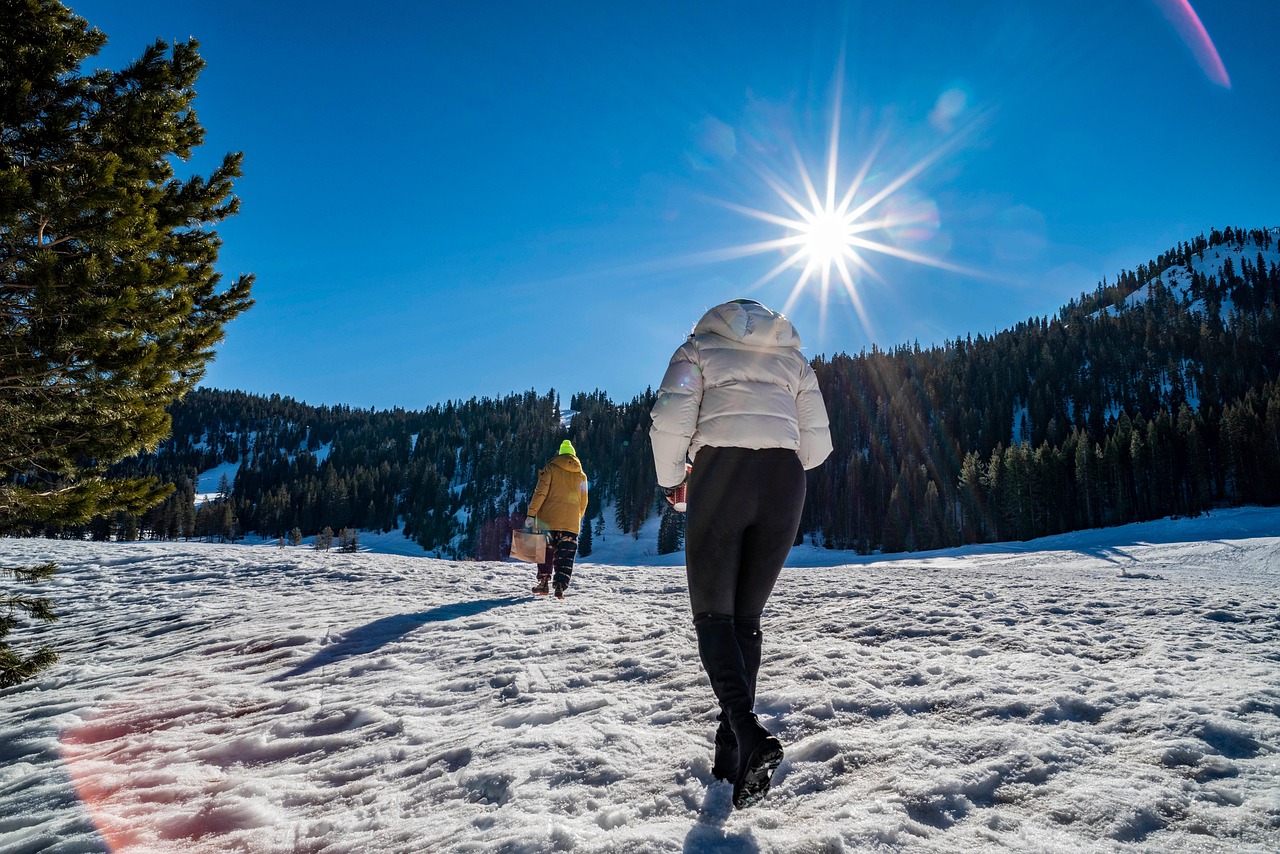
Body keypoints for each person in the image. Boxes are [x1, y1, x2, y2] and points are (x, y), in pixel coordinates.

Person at [650, 298, 832, 810]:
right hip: (784, 482)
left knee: (714, 615)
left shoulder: (698, 348)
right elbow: (816, 447)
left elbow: (669, 420)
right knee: (746, 619)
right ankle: (730, 750)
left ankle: (747, 732)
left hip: (721, 475)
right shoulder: (795, 362)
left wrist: (672, 481)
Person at [525, 439, 589, 599]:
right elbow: (584, 501)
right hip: (570, 525)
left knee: (545, 552)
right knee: (565, 556)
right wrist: (576, 519)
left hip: (549, 521)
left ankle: (543, 583)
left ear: (560, 454)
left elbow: (540, 493)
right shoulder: (582, 476)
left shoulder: (551, 468)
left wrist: (531, 514)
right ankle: (560, 586)